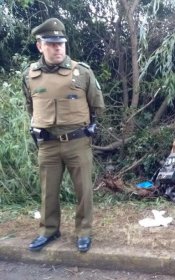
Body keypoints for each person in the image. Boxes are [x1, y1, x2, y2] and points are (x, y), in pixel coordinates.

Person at [22, 18, 105, 253]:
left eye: (61, 43)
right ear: (40, 46)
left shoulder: (82, 72)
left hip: (77, 141)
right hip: (47, 143)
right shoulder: (29, 75)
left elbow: (97, 106)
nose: (57, 48)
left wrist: (87, 128)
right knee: (48, 190)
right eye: (51, 44)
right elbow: (31, 106)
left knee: (83, 190)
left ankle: (84, 231)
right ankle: (49, 229)